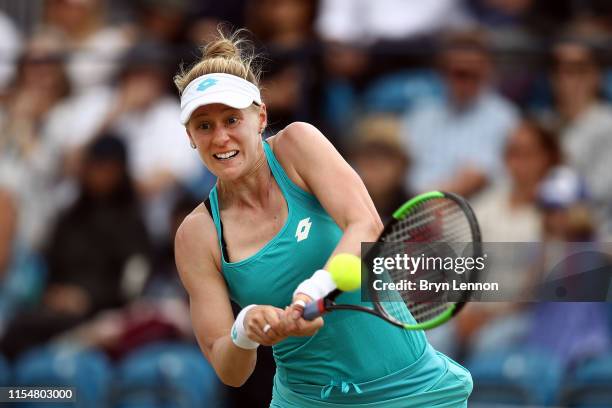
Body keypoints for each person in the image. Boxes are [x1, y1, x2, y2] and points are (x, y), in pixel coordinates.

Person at [174, 30, 472, 407]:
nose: (220, 138)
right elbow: (230, 369)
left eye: (232, 119)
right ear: (190, 136)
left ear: (261, 117)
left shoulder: (298, 145)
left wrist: (316, 290)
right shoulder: (196, 236)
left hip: (415, 391)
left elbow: (366, 224)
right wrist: (246, 327)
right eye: (204, 126)